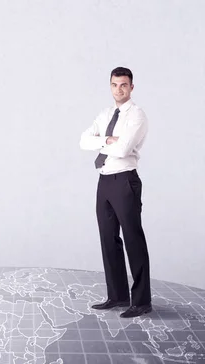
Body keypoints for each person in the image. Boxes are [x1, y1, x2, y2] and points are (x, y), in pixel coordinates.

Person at [79, 67, 152, 318]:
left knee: (133, 239)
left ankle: (141, 301)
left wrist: (104, 140)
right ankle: (118, 295)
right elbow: (83, 140)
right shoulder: (106, 113)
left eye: (123, 85)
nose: (118, 89)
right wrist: (108, 139)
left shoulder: (137, 115)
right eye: (114, 85)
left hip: (124, 181)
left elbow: (122, 150)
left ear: (131, 87)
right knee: (108, 239)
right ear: (110, 86)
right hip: (105, 181)